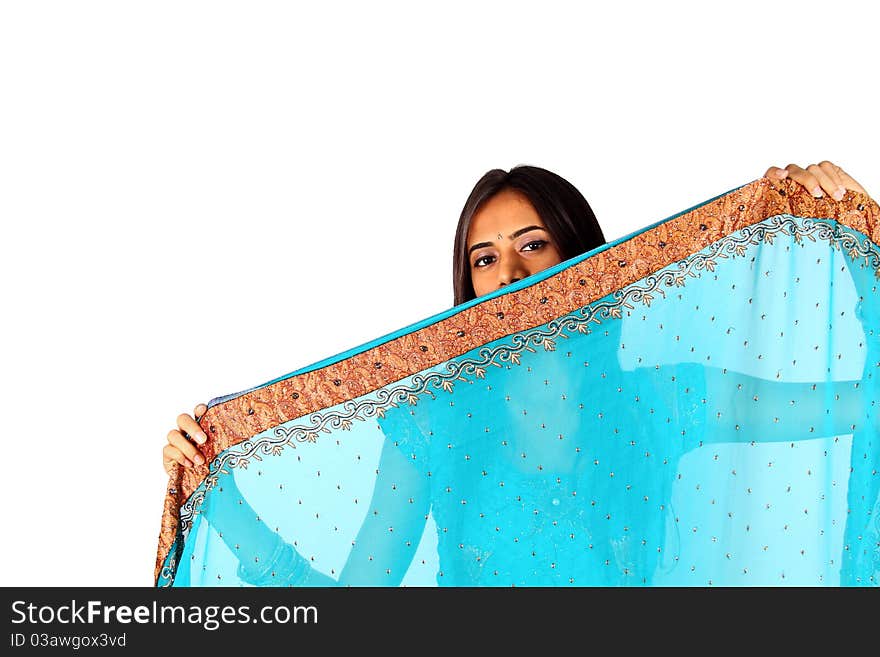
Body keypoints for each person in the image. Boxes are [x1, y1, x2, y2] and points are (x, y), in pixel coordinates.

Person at [159, 161, 876, 586]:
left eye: (533, 244)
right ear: (467, 288)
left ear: (584, 263)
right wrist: (215, 489)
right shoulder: (433, 422)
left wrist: (851, 235)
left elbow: (866, 404)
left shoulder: (662, 399)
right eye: (484, 256)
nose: (509, 273)